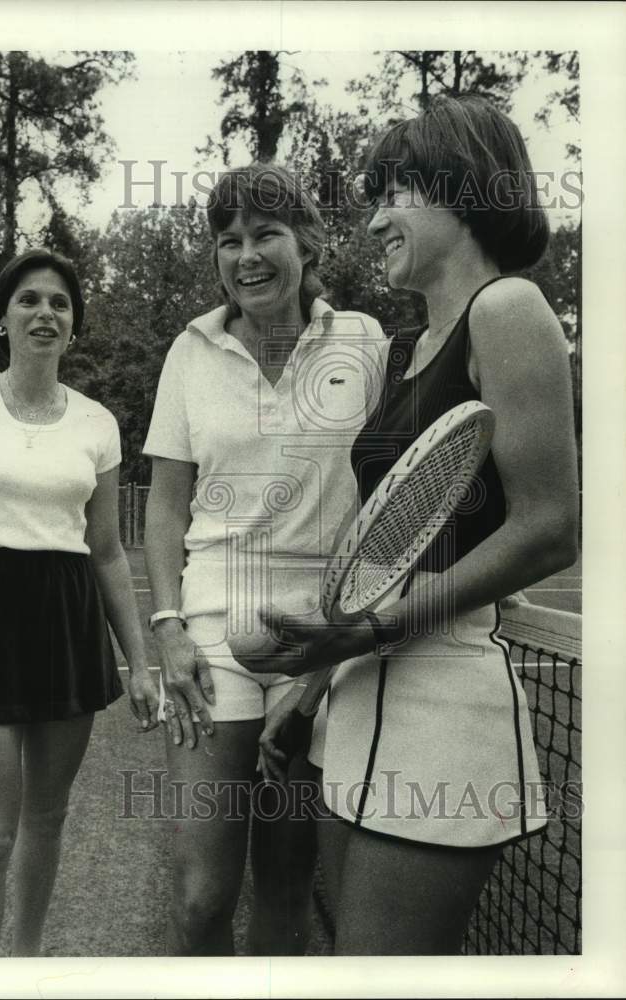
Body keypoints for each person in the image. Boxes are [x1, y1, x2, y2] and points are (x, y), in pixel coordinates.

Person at [236, 95, 580, 954]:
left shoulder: (508, 311)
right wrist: (314, 687)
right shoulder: (405, 349)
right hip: (354, 702)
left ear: (462, 192)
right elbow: (375, 553)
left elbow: (548, 527)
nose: (377, 217)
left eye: (396, 192)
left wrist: (362, 633)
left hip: (444, 707)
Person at [143, 164, 388, 955]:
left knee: (286, 885)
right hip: (213, 637)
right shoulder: (190, 350)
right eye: (228, 240)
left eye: (265, 235)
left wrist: (321, 668)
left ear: (307, 244)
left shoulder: (364, 341)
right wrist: (168, 628)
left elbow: (389, 498)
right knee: (201, 898)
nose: (246, 256)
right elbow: (165, 505)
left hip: (323, 644)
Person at [0, 248, 160, 957]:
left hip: (66, 626)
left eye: (59, 304)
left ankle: (24, 967)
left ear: (73, 326)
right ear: (3, 319)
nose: (44, 313)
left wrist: (141, 664)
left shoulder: (98, 425)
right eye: (29, 300)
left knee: (46, 820)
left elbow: (106, 550)